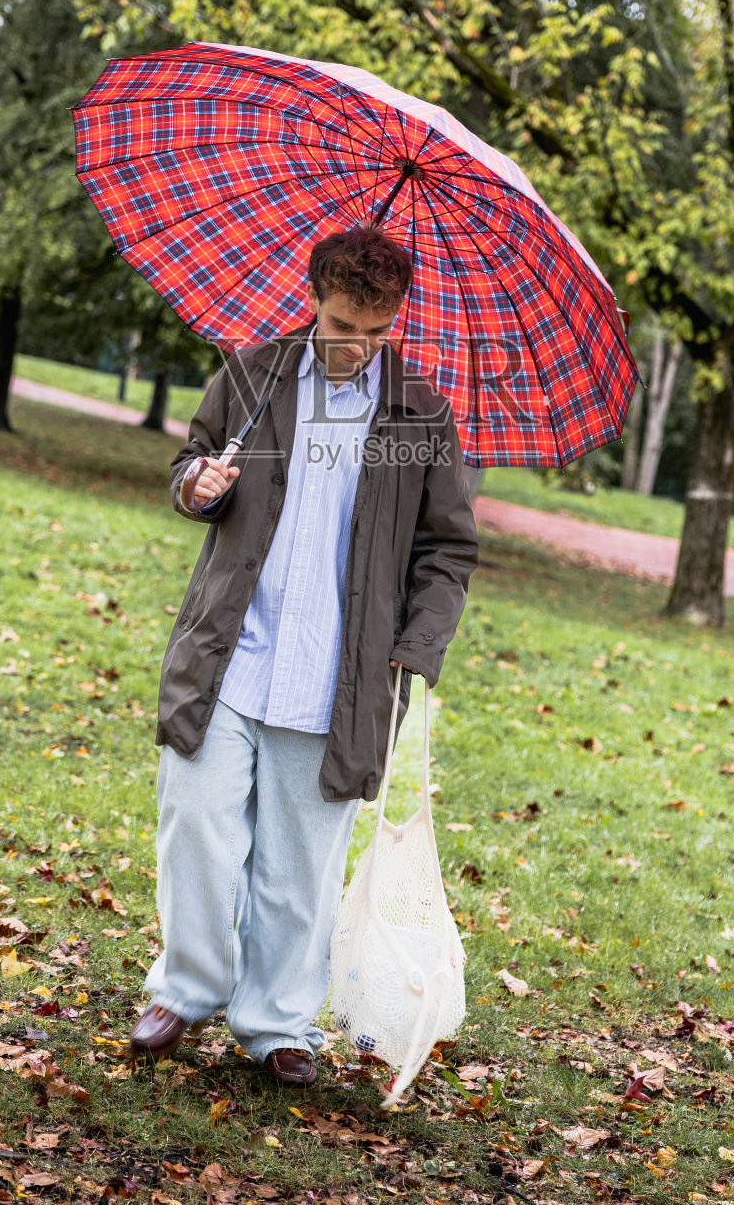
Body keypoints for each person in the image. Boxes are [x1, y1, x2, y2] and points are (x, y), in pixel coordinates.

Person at [127, 226, 478, 1088]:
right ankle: (187, 988)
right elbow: (188, 464)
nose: (353, 346)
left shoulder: (417, 415)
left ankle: (277, 1022)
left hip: (342, 674)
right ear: (313, 301)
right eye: (338, 325)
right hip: (232, 653)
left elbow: (446, 550)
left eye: (373, 330)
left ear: (394, 319)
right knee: (199, 831)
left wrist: (417, 647)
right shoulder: (254, 376)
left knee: (299, 865)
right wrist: (197, 486)